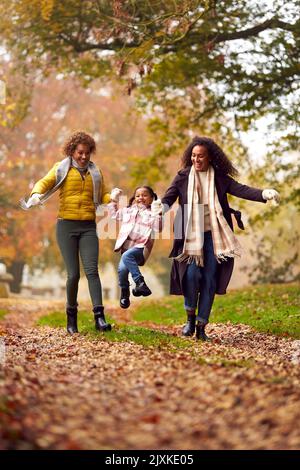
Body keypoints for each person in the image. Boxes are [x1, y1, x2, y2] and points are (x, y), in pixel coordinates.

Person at [161, 136, 280, 341]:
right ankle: (190, 315)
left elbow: (241, 189)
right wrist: (159, 209)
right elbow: (169, 198)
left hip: (214, 237)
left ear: (210, 158)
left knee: (209, 280)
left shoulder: (218, 177)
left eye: (201, 156)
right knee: (190, 275)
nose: (196, 160)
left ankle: (201, 327)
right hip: (190, 235)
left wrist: (264, 194)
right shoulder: (183, 176)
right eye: (193, 156)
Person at [20, 131, 112, 334]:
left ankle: (100, 318)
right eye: (80, 152)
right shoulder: (61, 168)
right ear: (72, 151)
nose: (84, 157)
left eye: (87, 153)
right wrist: (36, 194)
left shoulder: (95, 173)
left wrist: (110, 199)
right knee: (73, 275)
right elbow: (44, 182)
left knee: (92, 271)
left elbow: (103, 193)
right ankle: (71, 318)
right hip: (66, 227)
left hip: (88, 226)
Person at [108, 186, 163, 309]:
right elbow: (114, 215)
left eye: (144, 195)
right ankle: (125, 293)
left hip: (141, 249)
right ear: (134, 198)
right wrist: (113, 201)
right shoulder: (128, 210)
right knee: (122, 271)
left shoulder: (152, 213)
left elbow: (158, 228)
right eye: (138, 195)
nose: (140, 198)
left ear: (151, 198)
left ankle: (140, 282)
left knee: (127, 256)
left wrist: (158, 213)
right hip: (127, 248)